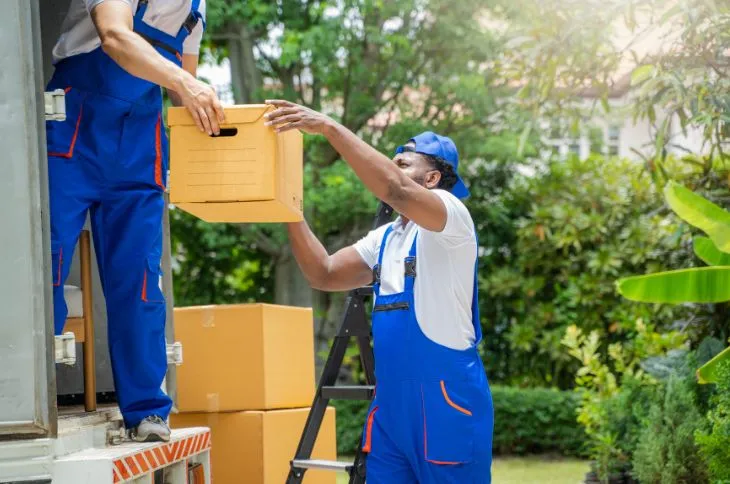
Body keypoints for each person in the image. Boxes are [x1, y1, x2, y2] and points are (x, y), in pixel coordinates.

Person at [264, 100, 494, 483]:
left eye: (403, 162)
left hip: (446, 404)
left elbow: (394, 187)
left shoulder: (452, 218)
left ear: (432, 179)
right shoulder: (387, 238)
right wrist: (287, 203)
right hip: (392, 413)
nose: (392, 168)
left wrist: (329, 128)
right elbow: (323, 273)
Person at [46, 0, 224, 442]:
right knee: (43, 257)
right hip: (74, 127)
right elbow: (115, 38)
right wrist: (187, 82)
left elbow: (186, 95)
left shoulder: (195, 12)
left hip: (140, 145)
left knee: (140, 279)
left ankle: (146, 411)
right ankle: (23, 396)